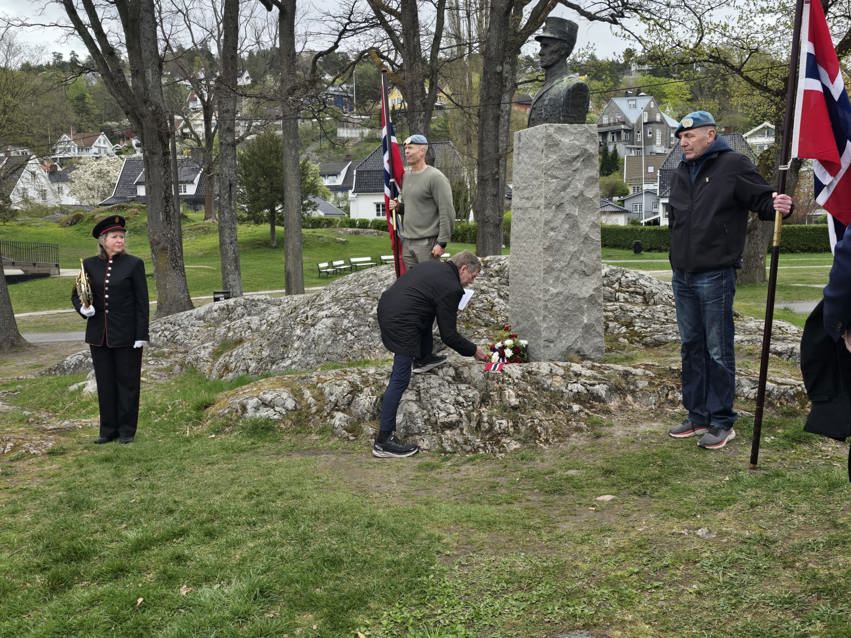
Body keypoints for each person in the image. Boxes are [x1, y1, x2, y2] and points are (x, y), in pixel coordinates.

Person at [666, 110, 793, 450]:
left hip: (715, 274)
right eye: (681, 137)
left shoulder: (733, 164)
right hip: (683, 274)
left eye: (689, 136)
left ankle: (722, 421)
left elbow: (763, 200)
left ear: (710, 135)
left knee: (717, 348)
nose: (683, 142)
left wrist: (779, 204)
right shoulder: (680, 171)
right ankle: (698, 415)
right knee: (691, 346)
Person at [373, 251, 489, 458]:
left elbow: (426, 305)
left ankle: (423, 358)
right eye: (473, 277)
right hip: (401, 321)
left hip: (388, 307)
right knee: (400, 378)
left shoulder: (435, 267)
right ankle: (383, 441)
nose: (472, 282)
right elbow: (449, 336)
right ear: (463, 269)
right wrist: (474, 351)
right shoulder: (450, 287)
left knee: (426, 312)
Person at [72, 215, 149, 444]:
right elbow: (77, 294)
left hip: (127, 336)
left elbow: (141, 302)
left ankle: (126, 431)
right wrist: (83, 309)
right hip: (99, 336)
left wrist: (141, 335)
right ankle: (108, 431)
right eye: (115, 237)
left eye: (122, 237)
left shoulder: (134, 264)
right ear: (103, 240)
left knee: (127, 384)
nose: (120, 240)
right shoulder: (89, 264)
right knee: (105, 385)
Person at [388, 133, 457, 372]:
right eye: (405, 148)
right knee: (413, 299)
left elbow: (447, 212)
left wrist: (442, 242)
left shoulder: (436, 178)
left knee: (428, 300)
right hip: (408, 244)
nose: (406, 151)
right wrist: (400, 207)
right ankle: (415, 351)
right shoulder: (405, 177)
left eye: (411, 147)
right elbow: (414, 208)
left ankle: (425, 353)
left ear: (423, 151)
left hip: (428, 245)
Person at [527, 17, 590, 127]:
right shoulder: (542, 90)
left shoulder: (575, 87)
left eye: (546, 46)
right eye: (541, 46)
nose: (540, 53)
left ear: (563, 50)